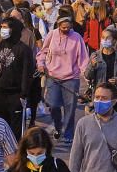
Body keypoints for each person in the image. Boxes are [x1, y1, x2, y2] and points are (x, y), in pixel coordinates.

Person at [36, 9, 90, 143]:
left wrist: (87, 75)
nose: (66, 29)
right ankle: (58, 126)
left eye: (68, 27)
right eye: (63, 27)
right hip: (53, 76)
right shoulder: (52, 35)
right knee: (53, 104)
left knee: (70, 108)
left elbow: (83, 58)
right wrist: (41, 64)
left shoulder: (76, 37)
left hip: (71, 78)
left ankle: (69, 134)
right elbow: (43, 51)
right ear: (58, 25)